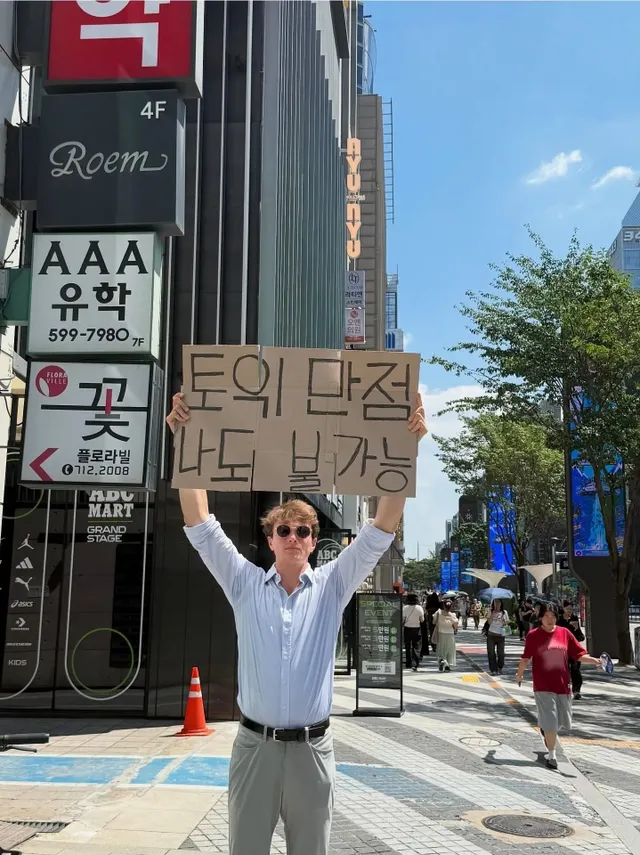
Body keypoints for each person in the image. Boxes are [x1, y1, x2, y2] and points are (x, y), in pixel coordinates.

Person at [166, 390, 427, 855]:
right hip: (254, 749)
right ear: (270, 539)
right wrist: (185, 440)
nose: (293, 537)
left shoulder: (332, 585)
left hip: (312, 751)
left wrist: (408, 449)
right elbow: (201, 525)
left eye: (302, 531)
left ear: (313, 540)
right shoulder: (244, 583)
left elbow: (381, 529)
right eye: (283, 530)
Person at [515, 603, 602, 770]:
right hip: (542, 684)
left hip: (562, 683)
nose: (550, 619)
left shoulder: (564, 633)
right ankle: (552, 754)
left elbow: (578, 654)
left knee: (562, 720)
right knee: (551, 721)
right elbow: (526, 658)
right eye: (546, 616)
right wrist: (519, 674)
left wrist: (594, 660)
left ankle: (547, 731)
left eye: (553, 616)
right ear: (540, 618)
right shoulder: (533, 635)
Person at [558, 600, 586, 700]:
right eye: (567, 609)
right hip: (561, 649)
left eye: (571, 609)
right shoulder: (558, 619)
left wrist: (576, 629)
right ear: (563, 608)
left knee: (575, 669)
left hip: (573, 648)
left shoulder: (574, 618)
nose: (569, 611)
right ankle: (563, 689)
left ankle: (576, 690)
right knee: (563, 669)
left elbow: (580, 635)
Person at [433, 599, 458, 672]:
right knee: (449, 650)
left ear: (443, 605)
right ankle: (447, 665)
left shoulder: (438, 613)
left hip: (440, 633)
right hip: (450, 634)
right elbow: (455, 626)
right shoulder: (453, 615)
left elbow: (434, 622)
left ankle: (442, 660)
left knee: (441, 649)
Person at [486, 599, 509, 676]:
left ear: (501, 603)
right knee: (491, 653)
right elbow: (489, 622)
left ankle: (500, 667)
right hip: (491, 634)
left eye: (498, 602)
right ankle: (493, 669)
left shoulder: (504, 612)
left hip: (500, 635)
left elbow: (506, 623)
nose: (497, 604)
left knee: (501, 653)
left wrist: (503, 619)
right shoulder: (490, 611)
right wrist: (492, 613)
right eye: (495, 602)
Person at [403, 593, 425, 671]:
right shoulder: (419, 608)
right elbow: (422, 620)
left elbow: (403, 620)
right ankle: (415, 663)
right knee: (416, 646)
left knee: (407, 646)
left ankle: (408, 663)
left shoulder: (404, 608)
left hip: (407, 628)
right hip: (417, 629)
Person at [423, 588, 440, 656]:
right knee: (437, 630)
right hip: (437, 616)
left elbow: (426, 607)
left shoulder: (429, 599)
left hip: (430, 616)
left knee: (431, 630)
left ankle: (433, 644)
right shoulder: (437, 601)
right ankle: (436, 644)